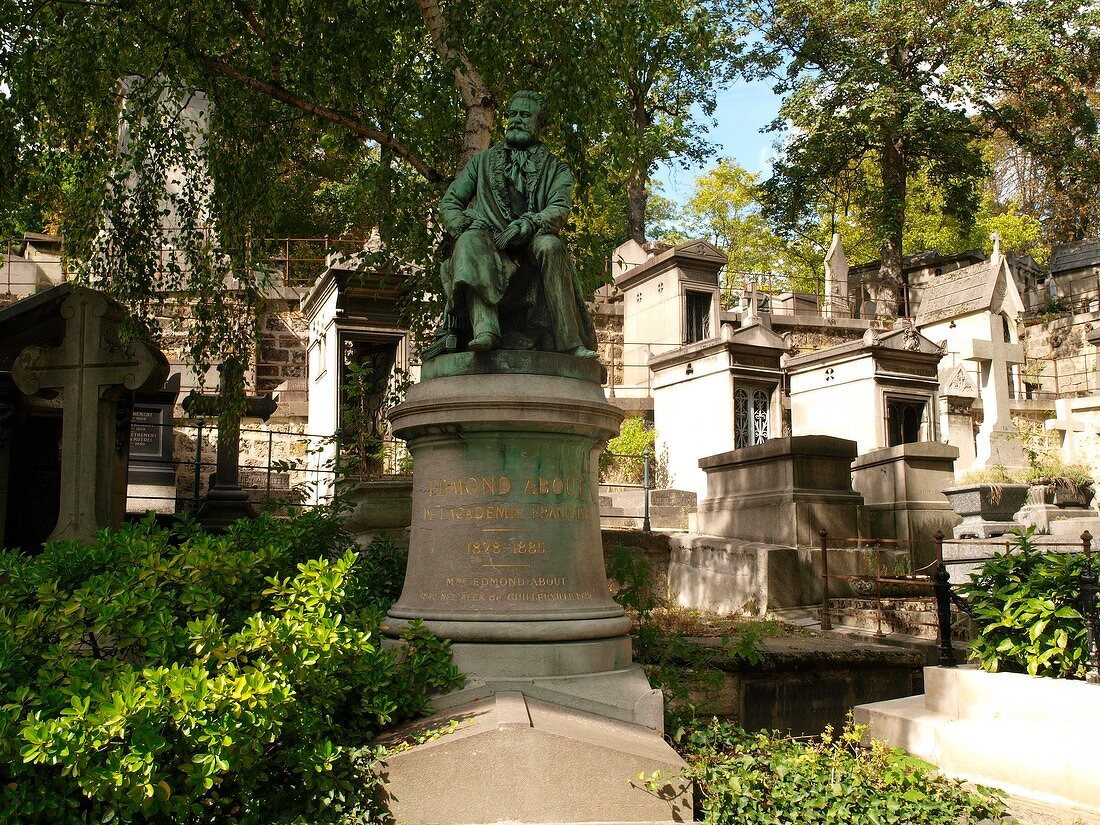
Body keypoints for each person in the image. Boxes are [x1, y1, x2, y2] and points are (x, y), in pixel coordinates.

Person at [437, 91, 597, 357]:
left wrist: (529, 224)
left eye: (525, 115)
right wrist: (466, 223)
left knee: (551, 245)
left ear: (539, 123)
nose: (516, 120)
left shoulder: (557, 169)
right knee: (469, 240)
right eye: (513, 114)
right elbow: (450, 202)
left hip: (531, 243)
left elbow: (558, 208)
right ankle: (486, 330)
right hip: (489, 242)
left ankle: (570, 342)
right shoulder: (482, 161)